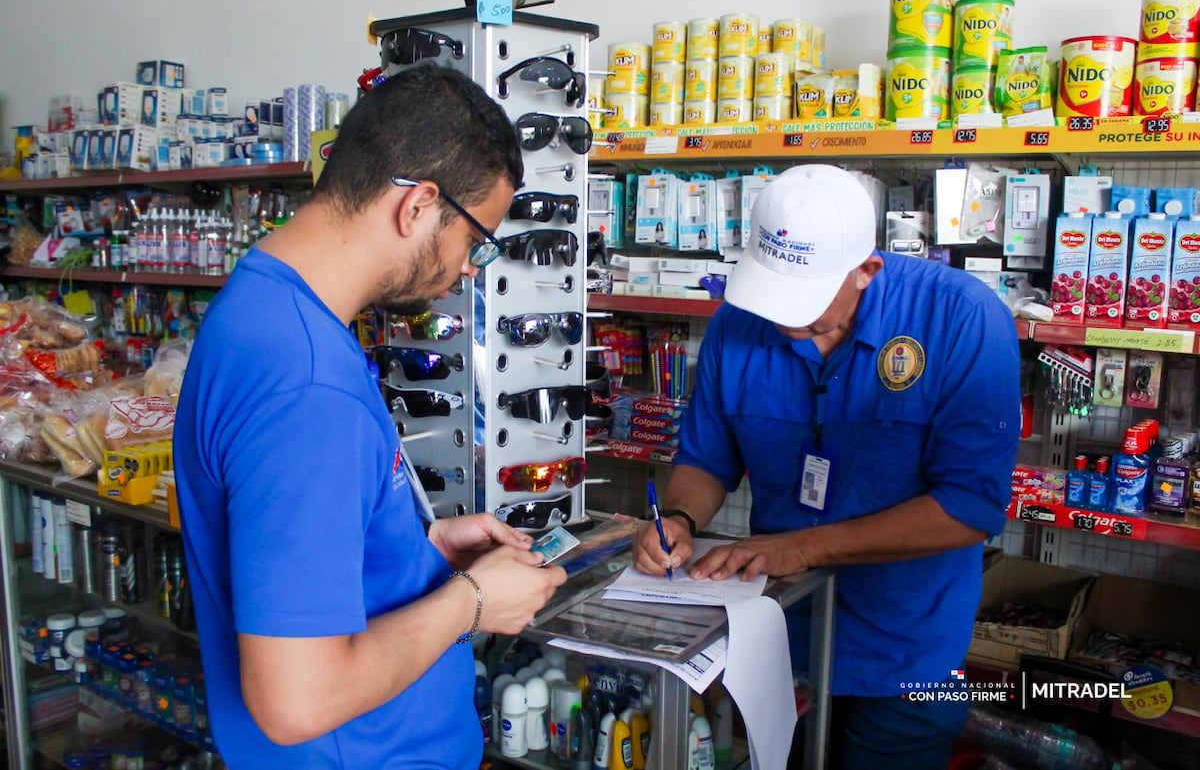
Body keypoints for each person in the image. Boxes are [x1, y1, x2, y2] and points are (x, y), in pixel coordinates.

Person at [173, 63, 567, 769]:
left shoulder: (265, 309)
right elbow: (297, 700)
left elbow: (299, 555)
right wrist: (474, 601)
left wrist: (422, 551)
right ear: (418, 206)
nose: (470, 268)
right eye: (475, 239)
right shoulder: (308, 384)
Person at [632, 164, 1019, 770]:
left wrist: (805, 548)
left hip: (908, 648)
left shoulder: (962, 318)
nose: (785, 320)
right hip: (780, 633)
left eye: (806, 303)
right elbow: (706, 458)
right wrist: (679, 518)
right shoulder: (739, 321)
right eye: (773, 294)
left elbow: (970, 507)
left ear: (868, 270)